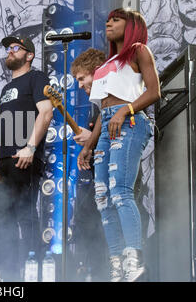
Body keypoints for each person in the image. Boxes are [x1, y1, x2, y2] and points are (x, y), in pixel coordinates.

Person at [77, 8, 161, 282]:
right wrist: (89, 143)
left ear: (132, 24)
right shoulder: (106, 64)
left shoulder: (139, 50)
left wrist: (126, 111)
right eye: (108, 19)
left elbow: (153, 92)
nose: (109, 22)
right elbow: (105, 108)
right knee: (102, 198)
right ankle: (117, 265)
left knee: (121, 192)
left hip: (132, 121)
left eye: (116, 19)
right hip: (108, 125)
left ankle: (134, 261)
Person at [0, 35, 53, 281]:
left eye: (15, 48)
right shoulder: (5, 88)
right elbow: (1, 119)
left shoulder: (37, 78)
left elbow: (46, 112)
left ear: (29, 54)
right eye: (8, 48)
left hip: (23, 157)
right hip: (2, 159)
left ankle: (35, 273)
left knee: (25, 215)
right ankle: (10, 275)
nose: (9, 51)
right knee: (3, 218)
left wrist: (30, 147)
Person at [70, 48, 109, 281]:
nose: (80, 86)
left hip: (113, 173)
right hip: (97, 176)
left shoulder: (109, 94)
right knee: (85, 220)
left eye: (82, 79)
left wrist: (89, 139)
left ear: (96, 71)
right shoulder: (95, 103)